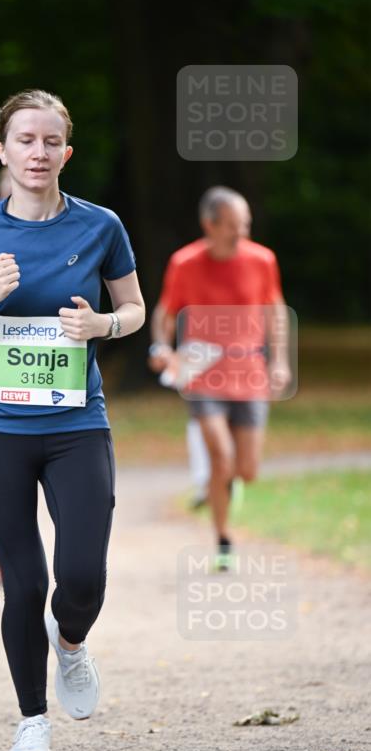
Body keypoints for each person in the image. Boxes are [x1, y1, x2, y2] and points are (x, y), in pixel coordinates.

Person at [0, 89, 145, 751]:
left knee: (80, 576)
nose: (38, 152)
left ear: (66, 152)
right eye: (25, 140)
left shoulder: (100, 225)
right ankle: (31, 726)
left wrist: (103, 326)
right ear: (3, 150)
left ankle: (71, 642)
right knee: (22, 583)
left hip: (77, 425)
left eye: (51, 141)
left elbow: (136, 308)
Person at [148, 186, 291, 569]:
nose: (241, 232)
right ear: (209, 224)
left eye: (245, 224)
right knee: (220, 455)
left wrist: (280, 361)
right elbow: (164, 314)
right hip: (202, 372)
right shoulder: (184, 263)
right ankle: (224, 540)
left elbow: (275, 312)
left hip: (249, 373)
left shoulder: (262, 260)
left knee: (247, 469)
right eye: (232, 225)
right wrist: (160, 348)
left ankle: (227, 483)